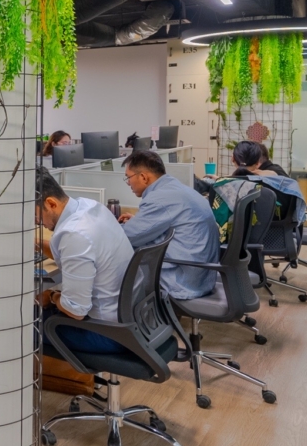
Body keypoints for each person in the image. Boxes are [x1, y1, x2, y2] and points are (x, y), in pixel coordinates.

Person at [35, 168, 135, 354]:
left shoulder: (74, 235)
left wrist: (51, 297)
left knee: (19, 321)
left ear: (51, 203)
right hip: (130, 320)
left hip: (105, 333)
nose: (37, 222)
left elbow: (76, 311)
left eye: (36, 216)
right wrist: (39, 244)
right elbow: (78, 253)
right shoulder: (92, 207)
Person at [118, 150, 220, 300]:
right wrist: (139, 221)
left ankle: (120, 310)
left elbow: (128, 236)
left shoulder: (159, 199)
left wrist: (108, 226)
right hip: (202, 274)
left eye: (128, 177)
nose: (128, 183)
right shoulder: (175, 188)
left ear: (143, 177)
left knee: (121, 252)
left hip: (183, 280)